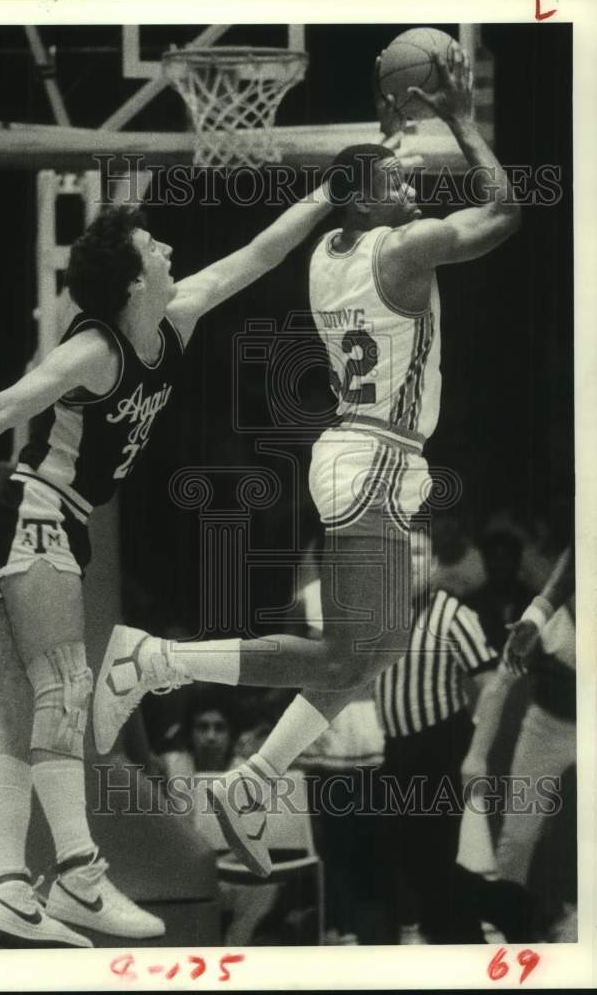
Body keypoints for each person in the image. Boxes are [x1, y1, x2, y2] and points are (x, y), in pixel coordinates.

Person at [0, 178, 342, 946]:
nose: (168, 248)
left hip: (59, 520)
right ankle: (79, 876)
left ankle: (7, 888)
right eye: (153, 245)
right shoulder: (92, 351)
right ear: (130, 280)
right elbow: (5, 407)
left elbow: (260, 253)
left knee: (19, 716)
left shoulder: (178, 315)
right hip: (37, 511)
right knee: (67, 692)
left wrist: (326, 192)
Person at [93, 47, 522, 878]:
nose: (410, 184)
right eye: (394, 182)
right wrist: (462, 121)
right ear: (364, 202)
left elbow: (349, 192)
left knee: (378, 649)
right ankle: (155, 661)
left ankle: (251, 782)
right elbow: (504, 212)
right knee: (344, 656)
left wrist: (382, 142)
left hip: (365, 453)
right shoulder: (404, 251)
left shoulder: (329, 254)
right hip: (372, 458)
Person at [373, 520, 497, 944]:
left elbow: (491, 686)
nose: (409, 562)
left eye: (418, 553)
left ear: (435, 564)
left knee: (435, 864)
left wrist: (476, 753)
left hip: (441, 747)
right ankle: (446, 940)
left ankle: (468, 948)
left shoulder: (454, 616)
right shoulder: (380, 617)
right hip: (397, 750)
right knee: (408, 864)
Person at [460, 545, 576, 940]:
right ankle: (504, 921)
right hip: (547, 728)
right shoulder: (543, 624)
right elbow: (498, 686)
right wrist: (476, 755)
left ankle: (574, 919)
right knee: (518, 835)